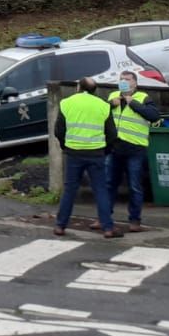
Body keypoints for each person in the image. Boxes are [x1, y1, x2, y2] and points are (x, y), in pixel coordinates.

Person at [53, 79, 120, 239]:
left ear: (78, 87)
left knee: (70, 190)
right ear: (94, 90)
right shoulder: (103, 105)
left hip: (74, 153)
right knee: (101, 190)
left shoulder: (66, 103)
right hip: (96, 153)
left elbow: (58, 130)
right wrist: (105, 150)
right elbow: (112, 134)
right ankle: (108, 228)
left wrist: (65, 146)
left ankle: (60, 226)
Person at [94, 71, 160, 233]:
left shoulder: (143, 98)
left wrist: (134, 104)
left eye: (128, 79)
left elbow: (154, 116)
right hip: (114, 148)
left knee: (135, 186)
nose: (124, 81)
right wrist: (111, 105)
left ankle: (135, 220)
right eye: (122, 79)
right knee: (108, 184)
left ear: (135, 83)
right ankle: (103, 218)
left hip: (135, 149)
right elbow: (98, 113)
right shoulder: (113, 96)